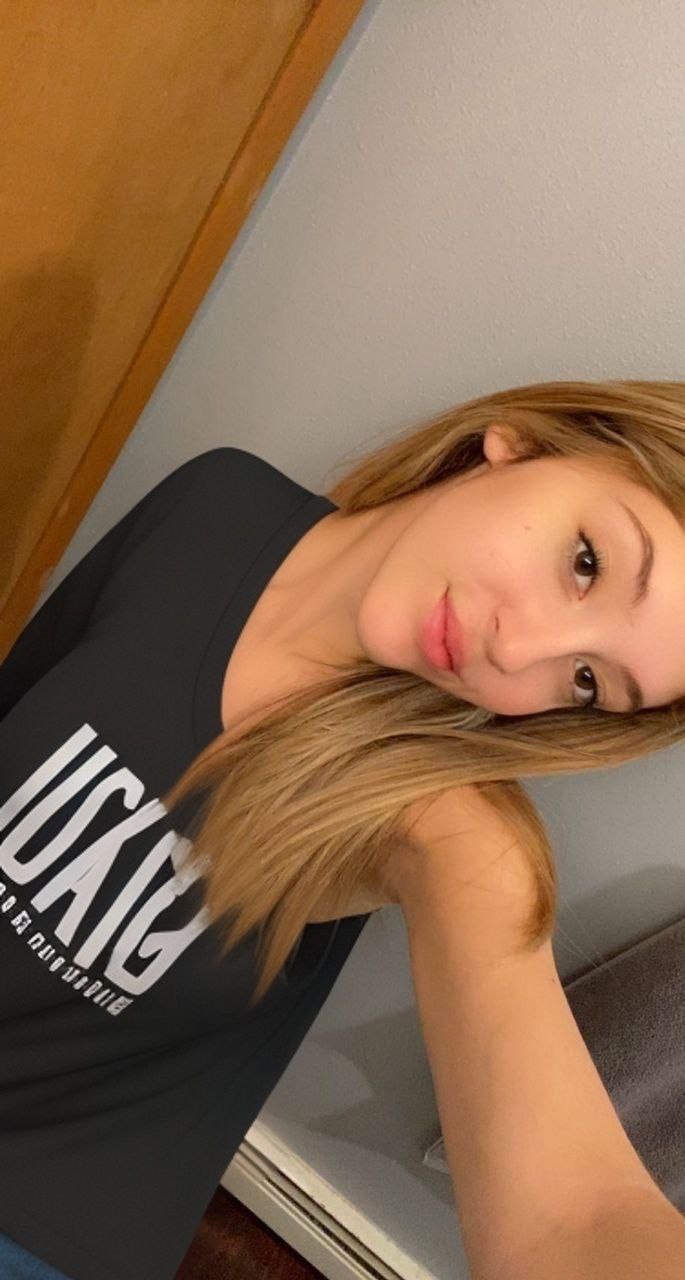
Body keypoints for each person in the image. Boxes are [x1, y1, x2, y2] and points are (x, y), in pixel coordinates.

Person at [1, 378, 684, 1279]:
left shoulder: (442, 818)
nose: (518, 651)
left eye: (586, 681)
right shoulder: (217, 502)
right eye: (585, 563)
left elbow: (573, 1221)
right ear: (523, 442)